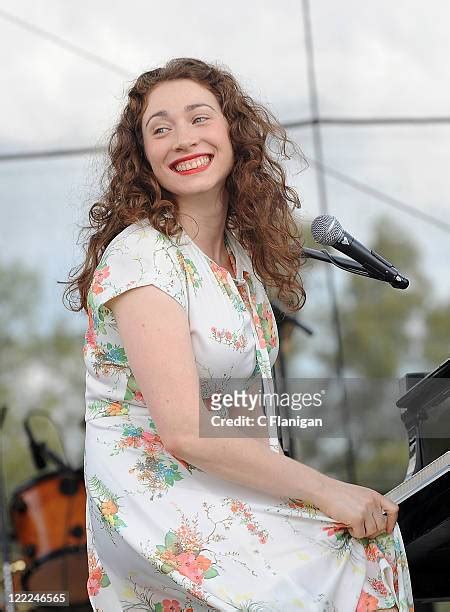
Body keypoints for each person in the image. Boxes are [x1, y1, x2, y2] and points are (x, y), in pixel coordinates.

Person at [64, 58, 414, 611]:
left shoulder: (238, 263)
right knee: (345, 567)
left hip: (213, 485)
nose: (182, 139)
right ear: (143, 158)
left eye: (199, 118)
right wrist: (326, 491)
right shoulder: (143, 256)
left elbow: (240, 419)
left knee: (368, 543)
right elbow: (184, 432)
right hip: (154, 501)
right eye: (160, 129)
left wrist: (310, 497)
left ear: (233, 133)